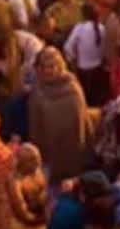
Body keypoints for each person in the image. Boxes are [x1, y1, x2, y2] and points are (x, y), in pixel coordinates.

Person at [28, 46, 91, 180]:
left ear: (60, 65)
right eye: (45, 66)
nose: (49, 70)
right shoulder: (37, 93)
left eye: (53, 66)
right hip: (50, 159)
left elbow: (83, 121)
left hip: (74, 155)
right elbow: (35, 130)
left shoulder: (73, 88)